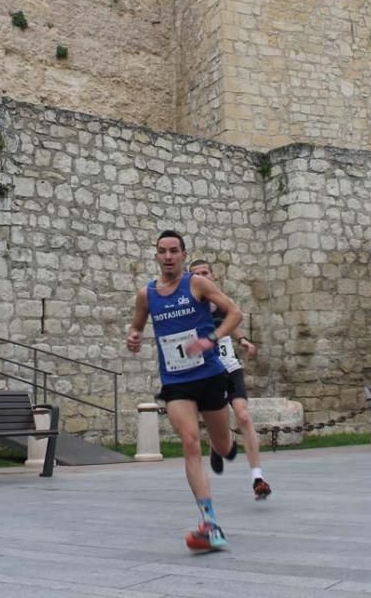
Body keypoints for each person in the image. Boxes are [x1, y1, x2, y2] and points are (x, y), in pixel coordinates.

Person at [126, 231, 243, 551]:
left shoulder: (197, 284)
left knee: (221, 443)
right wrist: (134, 337)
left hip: (209, 374)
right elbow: (137, 326)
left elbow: (235, 313)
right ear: (156, 256)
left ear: (182, 254)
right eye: (162, 251)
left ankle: (226, 446)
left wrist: (212, 338)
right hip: (176, 381)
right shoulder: (147, 295)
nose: (167, 257)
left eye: (173, 251)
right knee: (190, 442)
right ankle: (210, 523)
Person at [189, 259, 272, 500]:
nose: (202, 277)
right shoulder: (192, 306)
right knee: (219, 422)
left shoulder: (220, 300)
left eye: (205, 272)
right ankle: (217, 447)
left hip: (229, 366)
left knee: (244, 416)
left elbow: (232, 321)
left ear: (212, 276)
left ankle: (258, 477)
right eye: (197, 274)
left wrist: (243, 340)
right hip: (207, 372)